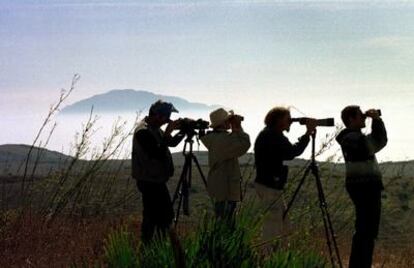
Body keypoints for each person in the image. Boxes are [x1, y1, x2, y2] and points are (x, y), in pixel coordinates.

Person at [254, 106, 316, 240]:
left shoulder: (270, 134)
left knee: (283, 224)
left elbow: (289, 152)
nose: (290, 121)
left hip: (269, 184)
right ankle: (267, 255)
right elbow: (292, 152)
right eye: (287, 118)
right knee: (273, 225)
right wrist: (307, 134)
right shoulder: (273, 135)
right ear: (278, 120)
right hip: (269, 185)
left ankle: (274, 253)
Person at [336, 106, 387, 268]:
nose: (364, 118)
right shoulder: (352, 139)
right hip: (365, 188)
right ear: (351, 119)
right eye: (361, 116)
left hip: (363, 187)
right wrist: (377, 121)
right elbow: (378, 142)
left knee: (365, 230)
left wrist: (375, 120)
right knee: (367, 231)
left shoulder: (353, 137)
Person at [131, 100, 185, 243]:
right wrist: (168, 131)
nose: (167, 120)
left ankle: (151, 246)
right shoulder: (143, 131)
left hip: (155, 180)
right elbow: (157, 153)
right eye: (166, 117)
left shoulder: (154, 128)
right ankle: (152, 247)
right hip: (149, 182)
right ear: (158, 115)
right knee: (158, 217)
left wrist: (184, 131)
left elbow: (171, 143)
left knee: (156, 216)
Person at [200, 108, 250, 221]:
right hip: (225, 188)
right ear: (223, 123)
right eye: (228, 119)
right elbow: (244, 144)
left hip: (220, 187)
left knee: (222, 219)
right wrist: (237, 127)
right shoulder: (222, 140)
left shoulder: (214, 138)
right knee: (226, 222)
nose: (230, 121)